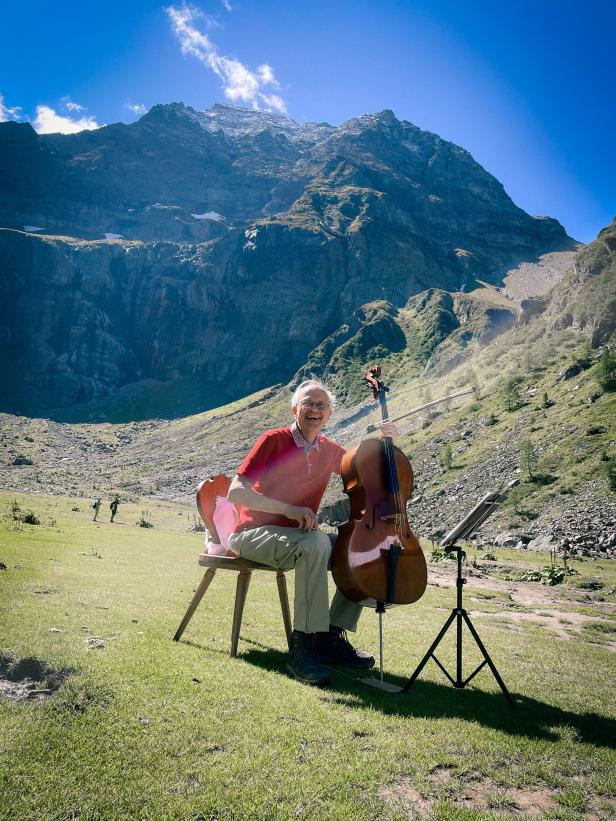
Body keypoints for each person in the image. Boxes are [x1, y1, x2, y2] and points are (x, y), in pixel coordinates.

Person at [227, 378, 397, 686]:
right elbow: (235, 492)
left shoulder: (330, 451)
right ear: (295, 409)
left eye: (321, 405)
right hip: (253, 534)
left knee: (358, 548)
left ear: (329, 414)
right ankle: (303, 644)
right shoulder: (273, 440)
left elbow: (371, 473)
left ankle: (331, 637)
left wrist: (388, 445)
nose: (314, 410)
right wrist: (288, 510)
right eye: (308, 403)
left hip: (301, 540)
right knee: (317, 542)